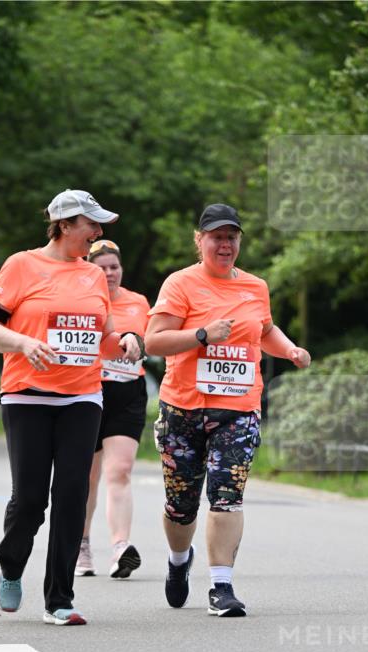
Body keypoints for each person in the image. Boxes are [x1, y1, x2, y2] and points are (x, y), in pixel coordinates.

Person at [0, 189, 143, 626]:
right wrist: (23, 342)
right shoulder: (21, 265)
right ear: (65, 225)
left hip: (83, 397)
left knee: (72, 494)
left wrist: (125, 340)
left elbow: (100, 339)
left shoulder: (91, 276)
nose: (98, 232)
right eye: (91, 224)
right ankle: (11, 568)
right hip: (27, 395)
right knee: (30, 499)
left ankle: (59, 600)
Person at [145, 203, 311, 617]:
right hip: (183, 408)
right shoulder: (180, 284)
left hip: (238, 408)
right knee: (181, 505)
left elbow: (265, 330)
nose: (225, 244)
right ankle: (178, 561)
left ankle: (221, 587)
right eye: (216, 237)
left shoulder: (256, 287)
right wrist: (202, 334)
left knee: (227, 496)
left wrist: (288, 349)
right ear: (199, 241)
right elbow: (154, 341)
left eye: (231, 237)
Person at [75, 239, 150, 579]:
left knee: (119, 470)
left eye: (114, 267)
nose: (109, 273)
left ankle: (121, 547)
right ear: (91, 269)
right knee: (88, 477)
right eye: (102, 267)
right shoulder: (81, 300)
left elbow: (151, 338)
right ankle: (82, 543)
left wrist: (137, 340)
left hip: (127, 392)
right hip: (90, 390)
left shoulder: (138, 302)